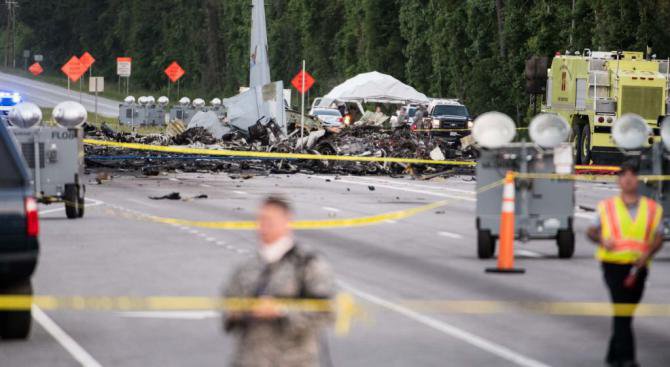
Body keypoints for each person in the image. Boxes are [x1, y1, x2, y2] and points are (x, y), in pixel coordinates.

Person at [223, 196, 335, 367]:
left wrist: (281, 310)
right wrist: (240, 310)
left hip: (293, 361)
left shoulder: (306, 265)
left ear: (287, 221)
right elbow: (228, 311)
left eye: (270, 221)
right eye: (261, 220)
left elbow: (326, 312)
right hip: (249, 359)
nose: (263, 226)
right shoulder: (248, 268)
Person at [587, 161, 665, 367]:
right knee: (622, 308)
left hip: (639, 267)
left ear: (637, 180)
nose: (628, 179)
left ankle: (613, 355)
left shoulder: (652, 208)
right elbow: (591, 231)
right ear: (618, 181)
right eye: (623, 175)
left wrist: (647, 254)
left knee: (626, 311)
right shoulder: (607, 207)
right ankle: (627, 358)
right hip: (612, 265)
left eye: (632, 175)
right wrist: (603, 240)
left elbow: (659, 236)